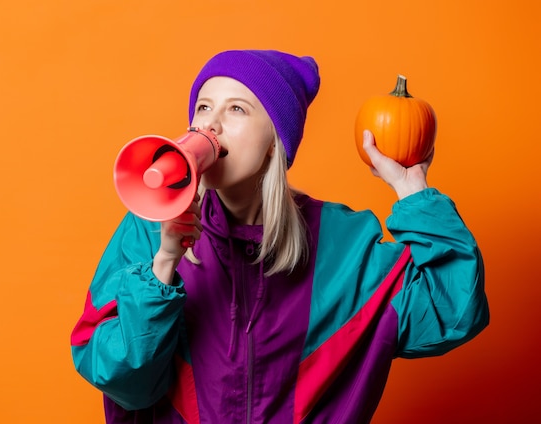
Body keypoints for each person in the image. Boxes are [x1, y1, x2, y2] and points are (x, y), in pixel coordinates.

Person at [70, 50, 489, 423]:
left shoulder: (343, 244)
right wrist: (163, 265)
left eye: (236, 109)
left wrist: (413, 191)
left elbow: (451, 312)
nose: (210, 125)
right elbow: (124, 382)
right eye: (203, 106)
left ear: (276, 142)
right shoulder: (149, 230)